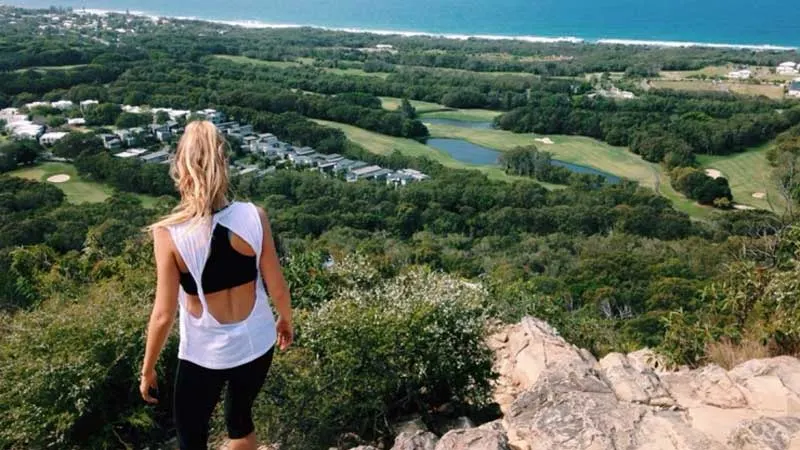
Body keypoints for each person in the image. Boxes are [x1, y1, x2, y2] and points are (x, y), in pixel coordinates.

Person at [139, 120, 293, 450]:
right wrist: (285, 320)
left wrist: (147, 369)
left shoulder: (169, 234)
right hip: (258, 342)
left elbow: (163, 314)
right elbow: (277, 286)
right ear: (223, 162)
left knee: (190, 437)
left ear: (180, 166)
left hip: (204, 354)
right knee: (240, 421)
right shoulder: (255, 216)